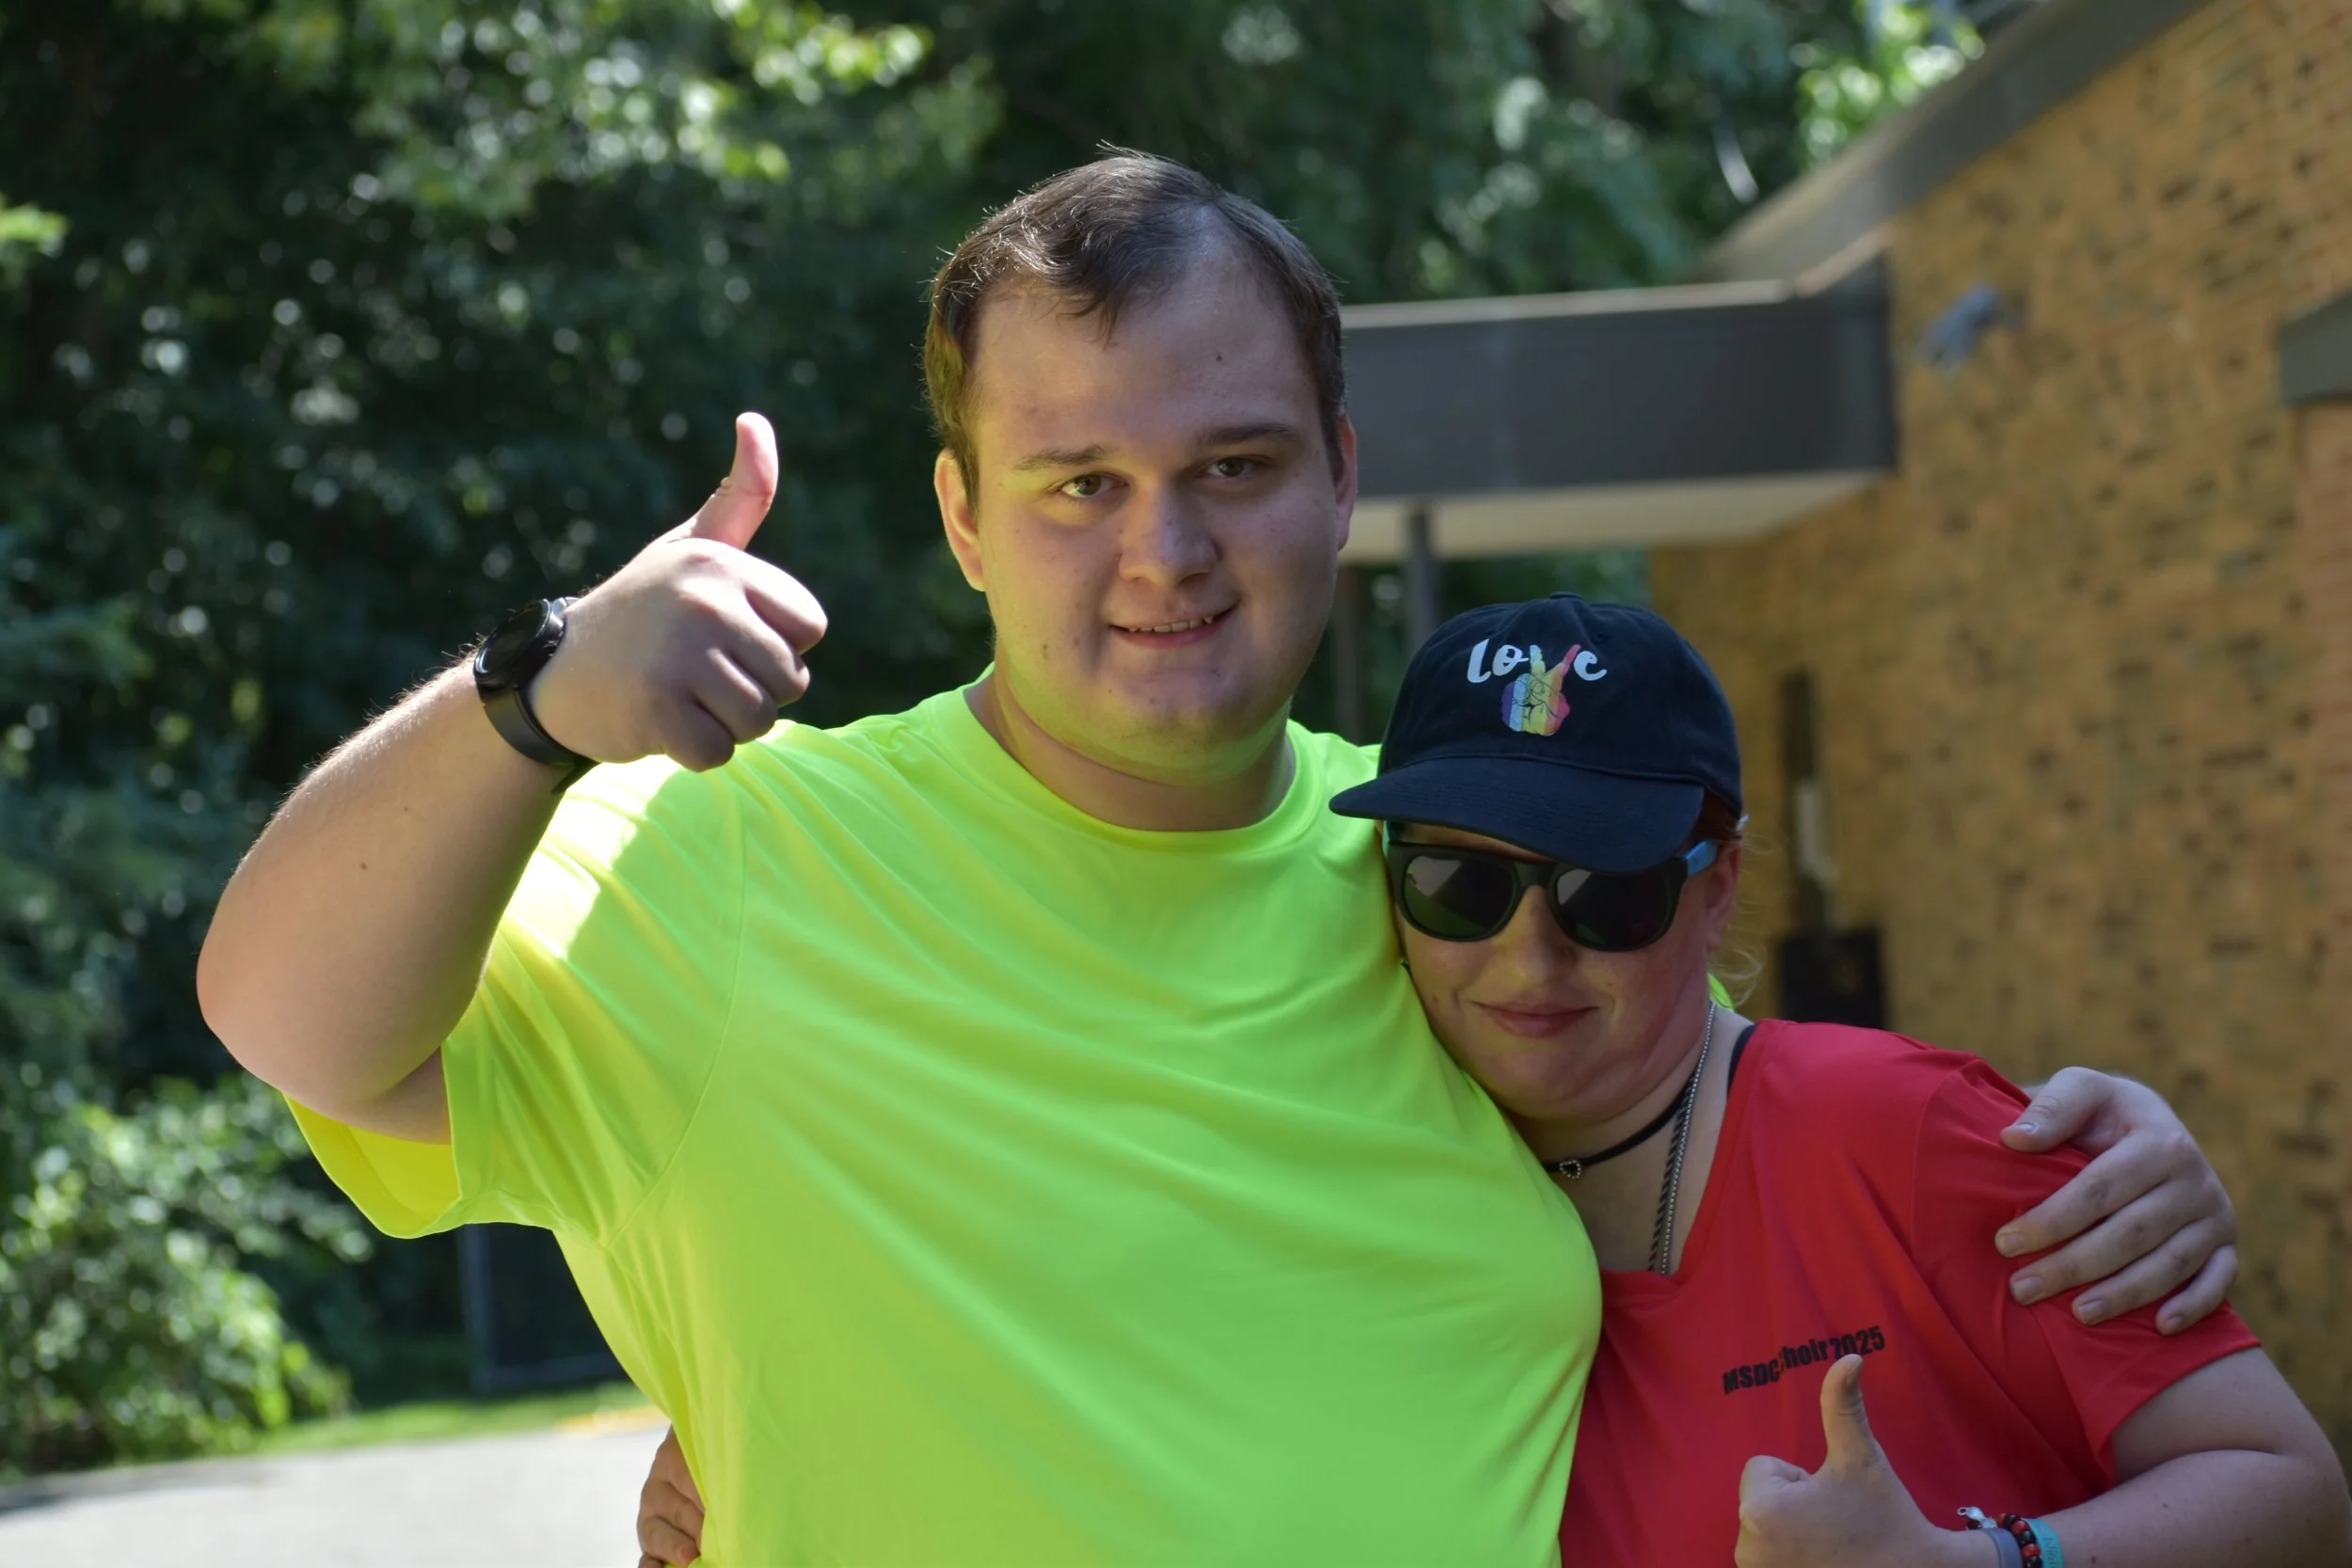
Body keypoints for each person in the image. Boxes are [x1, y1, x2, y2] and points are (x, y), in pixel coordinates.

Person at [200, 154, 2235, 1566]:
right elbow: (284, 1012)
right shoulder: (724, 854)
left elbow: (1734, 1138)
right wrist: (535, 692)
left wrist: (2091, 1155)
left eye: (1231, 467)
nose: (1163, 549)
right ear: (963, 516)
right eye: (1077, 481)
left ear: (1341, 477)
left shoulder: (1438, 877)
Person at [1332, 594, 2347, 1566]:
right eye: (1457, 883)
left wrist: (1978, 1560)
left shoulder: (1901, 1129)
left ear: (1716, 887)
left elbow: (2291, 1493)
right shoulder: (1356, 1175)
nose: (1528, 955)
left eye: (1607, 892)